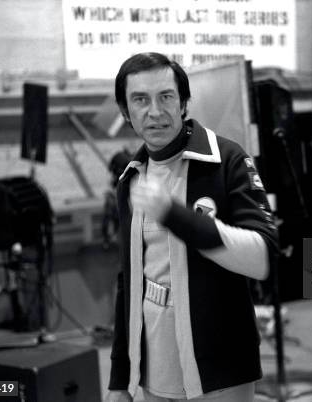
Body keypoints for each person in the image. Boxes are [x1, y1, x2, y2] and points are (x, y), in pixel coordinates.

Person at [106, 52, 278, 402]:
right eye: (140, 100)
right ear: (125, 112)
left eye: (166, 96)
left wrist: (175, 215)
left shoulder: (227, 160)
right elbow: (129, 281)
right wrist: (119, 379)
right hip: (154, 370)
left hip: (221, 370)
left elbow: (264, 258)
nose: (155, 111)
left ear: (184, 103)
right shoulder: (131, 178)